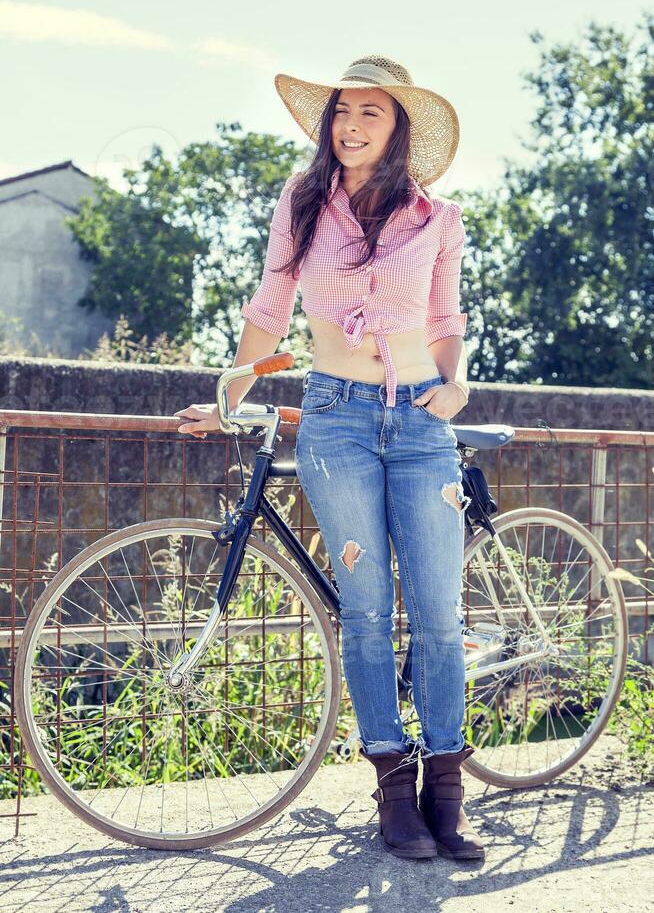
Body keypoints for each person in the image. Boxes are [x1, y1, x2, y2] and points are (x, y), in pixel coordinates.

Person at [175, 55, 485, 862]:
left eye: (369, 113)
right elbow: (272, 304)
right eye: (341, 112)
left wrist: (457, 385)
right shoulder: (304, 202)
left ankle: (447, 795)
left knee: (442, 618)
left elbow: (447, 319)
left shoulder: (439, 219)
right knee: (368, 613)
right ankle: (393, 794)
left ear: (400, 128)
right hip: (336, 420)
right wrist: (230, 396)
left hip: (422, 423)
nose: (349, 126)